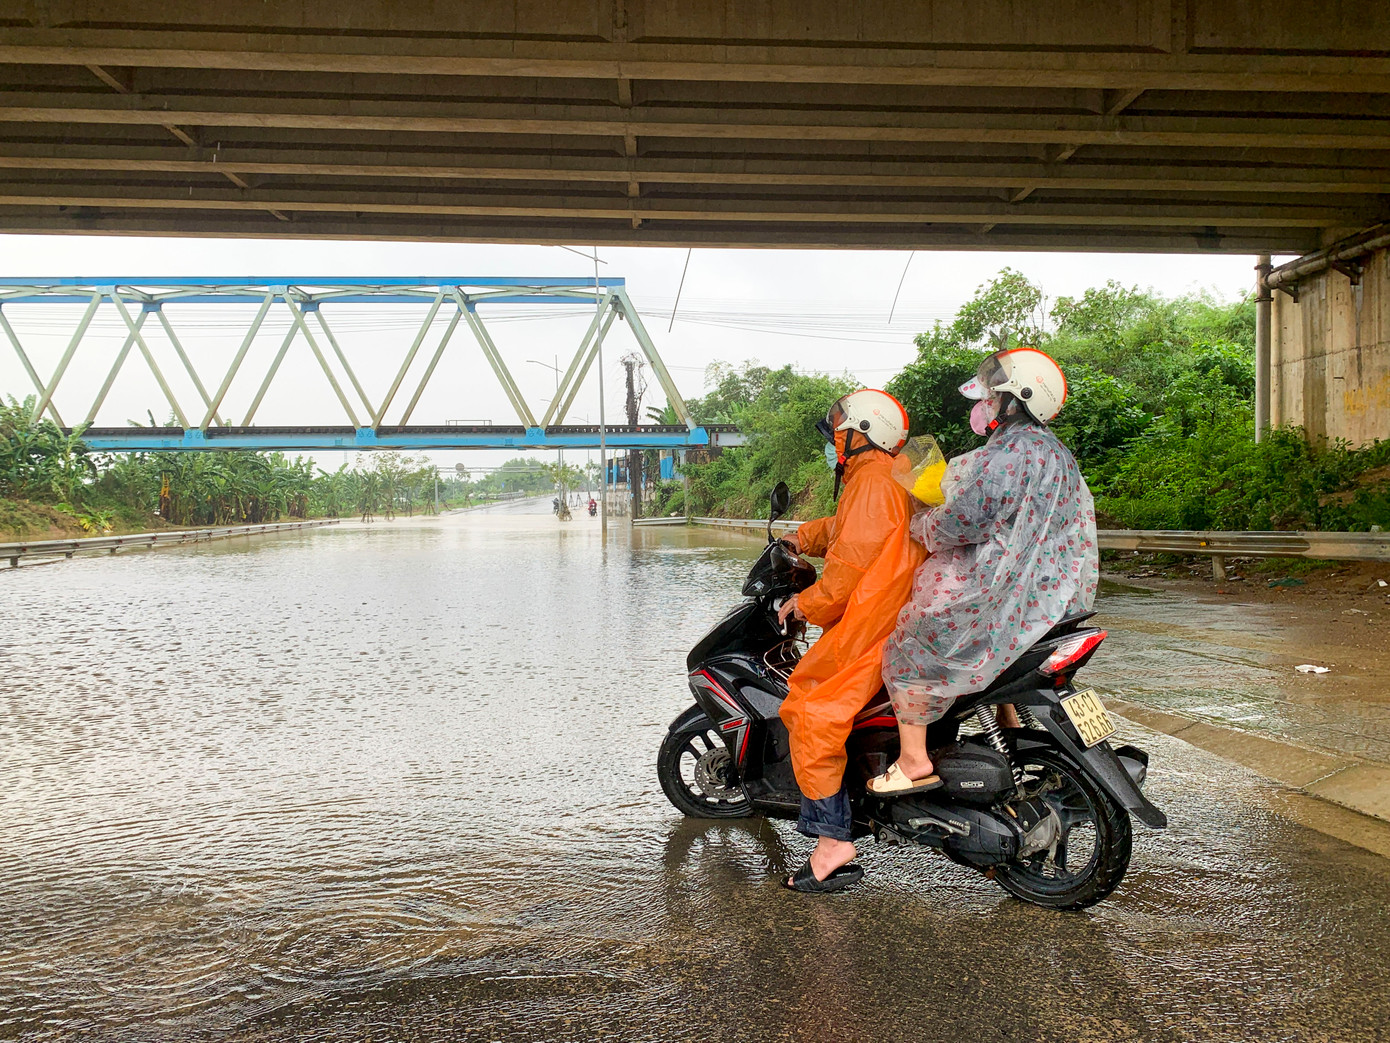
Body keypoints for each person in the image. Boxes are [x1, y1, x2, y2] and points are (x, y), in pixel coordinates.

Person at [869, 348, 1099, 796]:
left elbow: (965, 520)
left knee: (913, 638)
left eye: (991, 398)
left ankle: (913, 758)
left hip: (1008, 588)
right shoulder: (1056, 454)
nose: (984, 406)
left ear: (1017, 399)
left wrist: (924, 522)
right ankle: (1008, 720)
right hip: (1053, 594)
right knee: (985, 644)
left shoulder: (1009, 454)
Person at [776, 390, 926, 892]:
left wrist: (805, 604)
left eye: (839, 431)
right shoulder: (882, 476)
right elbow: (846, 533)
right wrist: (802, 536)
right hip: (889, 614)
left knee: (809, 709)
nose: (833, 440)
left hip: (871, 624)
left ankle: (833, 840)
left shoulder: (872, 485)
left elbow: (845, 576)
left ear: (862, 433)